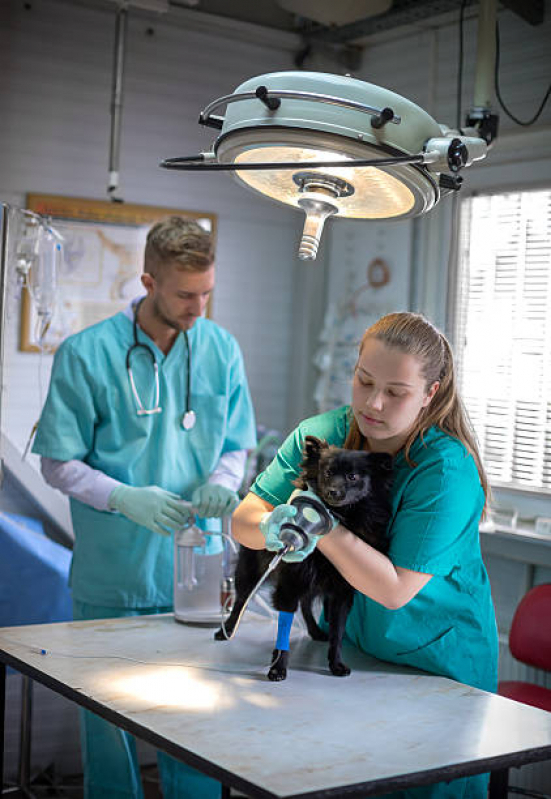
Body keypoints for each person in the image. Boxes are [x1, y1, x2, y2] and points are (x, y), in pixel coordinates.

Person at [32, 216, 256, 799]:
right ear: (148, 282)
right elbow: (57, 462)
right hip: (116, 575)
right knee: (107, 725)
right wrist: (121, 497)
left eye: (207, 292)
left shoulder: (220, 348)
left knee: (196, 723)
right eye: (185, 294)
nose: (198, 307)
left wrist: (223, 480)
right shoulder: (86, 354)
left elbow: (237, 443)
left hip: (198, 569)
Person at [232, 311, 498, 799]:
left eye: (395, 392)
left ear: (431, 393)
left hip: (439, 669)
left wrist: (321, 524)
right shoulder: (323, 434)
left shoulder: (445, 470)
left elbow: (394, 588)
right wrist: (270, 525)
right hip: (354, 651)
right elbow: (244, 519)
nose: (372, 403)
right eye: (364, 381)